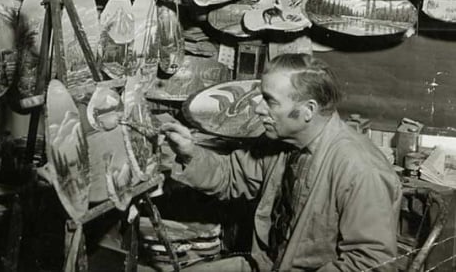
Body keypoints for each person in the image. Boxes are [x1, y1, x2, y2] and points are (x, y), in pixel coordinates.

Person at [160, 53, 402, 271]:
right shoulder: (282, 142)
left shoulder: (360, 169)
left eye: (270, 101)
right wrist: (189, 152)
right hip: (270, 263)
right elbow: (231, 176)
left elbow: (371, 264)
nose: (258, 110)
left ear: (308, 110)